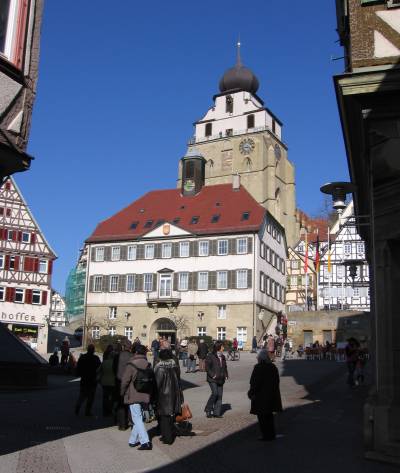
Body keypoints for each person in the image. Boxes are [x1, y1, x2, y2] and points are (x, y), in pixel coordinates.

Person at [120, 345, 153, 450]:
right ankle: (133, 440)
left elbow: (125, 381)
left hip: (133, 394)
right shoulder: (148, 364)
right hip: (145, 393)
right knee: (137, 417)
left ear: (134, 353)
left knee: (137, 418)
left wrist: (122, 392)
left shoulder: (131, 364)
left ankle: (145, 442)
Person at [248, 349, 283, 441]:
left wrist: (251, 392)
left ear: (260, 358)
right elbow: (277, 381)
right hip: (271, 396)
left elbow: (254, 382)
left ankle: (266, 435)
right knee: (269, 416)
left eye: (258, 357)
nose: (257, 358)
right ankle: (271, 434)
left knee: (262, 417)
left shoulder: (258, 367)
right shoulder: (273, 367)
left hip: (260, 396)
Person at [154, 348, 183, 445]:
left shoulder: (160, 368)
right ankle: (169, 434)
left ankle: (167, 438)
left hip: (164, 397)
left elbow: (157, 384)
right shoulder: (174, 366)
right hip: (174, 394)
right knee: (170, 417)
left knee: (164, 418)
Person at [75, 344, 101, 416]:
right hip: (92, 380)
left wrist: (79, 374)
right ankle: (87, 411)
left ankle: (78, 406)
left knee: (82, 395)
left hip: (84, 379)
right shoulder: (95, 358)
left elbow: (78, 367)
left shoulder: (82, 357)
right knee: (91, 397)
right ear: (93, 350)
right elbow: (99, 368)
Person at [204, 342, 228, 418]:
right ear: (218, 347)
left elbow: (225, 367)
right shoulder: (210, 356)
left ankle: (216, 413)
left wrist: (226, 375)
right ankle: (208, 409)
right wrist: (212, 375)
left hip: (221, 378)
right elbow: (207, 367)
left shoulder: (223, 356)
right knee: (215, 393)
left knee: (220, 395)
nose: (223, 348)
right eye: (222, 347)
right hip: (212, 379)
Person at [115, 341, 133, 430]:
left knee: (121, 403)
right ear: (130, 347)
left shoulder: (118, 356)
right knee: (130, 402)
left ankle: (122, 424)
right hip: (130, 382)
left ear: (123, 347)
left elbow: (114, 368)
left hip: (119, 381)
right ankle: (131, 422)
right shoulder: (132, 357)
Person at [99, 344, 116, 416]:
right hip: (112, 382)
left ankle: (104, 412)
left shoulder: (104, 363)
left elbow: (98, 371)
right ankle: (110, 410)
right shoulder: (115, 364)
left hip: (104, 382)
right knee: (112, 397)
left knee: (105, 397)